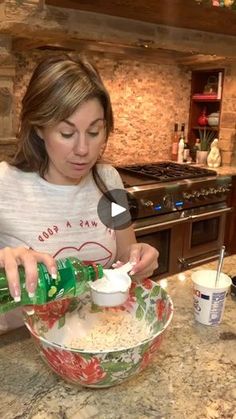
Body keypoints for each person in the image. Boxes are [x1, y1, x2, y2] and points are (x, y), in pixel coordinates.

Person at [0, 54, 158, 333]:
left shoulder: (110, 182)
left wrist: (139, 258)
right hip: (24, 347)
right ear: (39, 128)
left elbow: (126, 255)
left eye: (94, 131)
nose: (83, 149)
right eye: (66, 133)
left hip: (98, 336)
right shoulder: (5, 184)